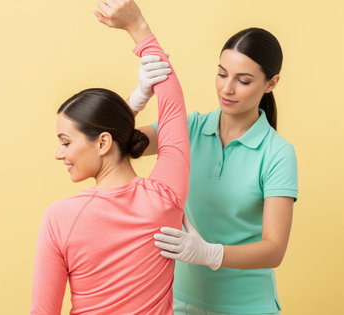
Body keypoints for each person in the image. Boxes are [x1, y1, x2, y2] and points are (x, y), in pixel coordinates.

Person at [29, 1, 189, 314]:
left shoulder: (59, 218)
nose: (59, 154)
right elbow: (174, 111)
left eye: (65, 142)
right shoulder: (166, 198)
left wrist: (137, 97)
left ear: (103, 142)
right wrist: (138, 28)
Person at [129, 27, 298, 315]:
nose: (227, 89)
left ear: (271, 83)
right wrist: (138, 99)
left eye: (243, 80)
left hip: (247, 307)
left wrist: (210, 253)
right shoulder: (189, 129)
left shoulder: (277, 153)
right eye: (222, 74)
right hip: (179, 301)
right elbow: (113, 143)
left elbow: (274, 249)